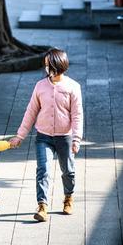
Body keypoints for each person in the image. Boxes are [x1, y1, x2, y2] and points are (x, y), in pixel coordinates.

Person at [10, 48, 83, 222]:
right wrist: (20, 135)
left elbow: (77, 114)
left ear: (58, 65)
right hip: (43, 136)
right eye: (45, 64)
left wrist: (76, 139)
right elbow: (31, 111)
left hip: (65, 137)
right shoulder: (40, 86)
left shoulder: (73, 87)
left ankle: (68, 198)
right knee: (43, 170)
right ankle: (42, 205)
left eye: (48, 64)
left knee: (68, 171)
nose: (46, 67)